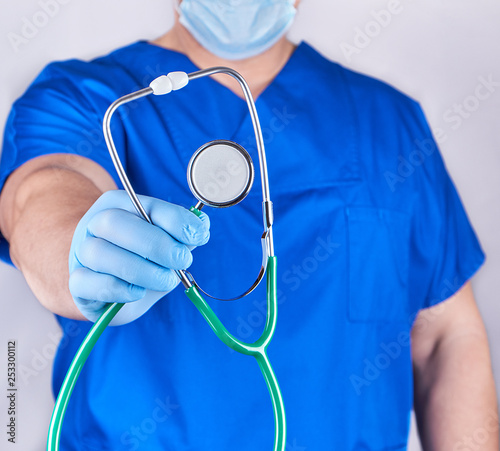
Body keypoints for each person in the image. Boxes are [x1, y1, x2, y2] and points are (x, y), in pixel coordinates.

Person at [0, 0, 497, 449]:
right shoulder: (86, 99)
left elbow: (444, 338)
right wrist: (77, 246)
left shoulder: (389, 122)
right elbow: (42, 193)